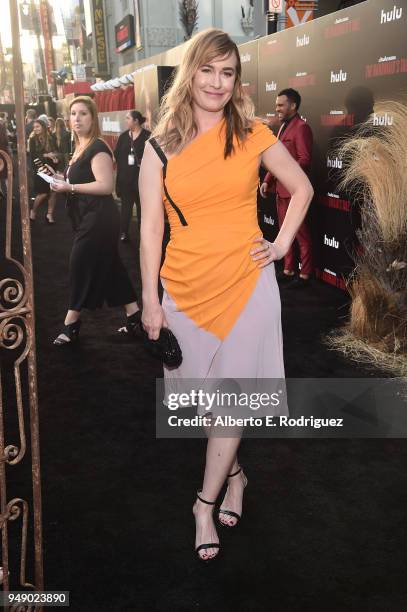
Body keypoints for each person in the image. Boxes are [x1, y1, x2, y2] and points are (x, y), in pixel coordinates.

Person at [139, 29, 313, 561]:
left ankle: (203, 505)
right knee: (206, 400)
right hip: (186, 286)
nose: (217, 82)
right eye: (208, 70)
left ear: (237, 80)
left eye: (228, 72)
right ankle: (235, 476)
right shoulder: (159, 145)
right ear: (190, 73)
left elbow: (301, 188)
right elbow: (149, 228)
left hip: (247, 284)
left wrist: (281, 243)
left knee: (231, 402)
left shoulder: (254, 133)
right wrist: (150, 299)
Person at [49, 96, 141, 345]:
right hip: (87, 216)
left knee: (79, 265)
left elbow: (105, 185)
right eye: (73, 114)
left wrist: (70, 187)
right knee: (111, 266)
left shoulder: (98, 147)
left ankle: (72, 323)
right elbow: (79, 179)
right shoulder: (79, 147)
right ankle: (135, 318)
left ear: (93, 118)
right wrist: (59, 178)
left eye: (83, 114)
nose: (77, 118)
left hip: (100, 218)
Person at [260, 88, 313, 289]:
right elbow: (278, 162)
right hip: (280, 191)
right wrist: (267, 179)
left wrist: (286, 176)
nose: (277, 109)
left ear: (293, 106)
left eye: (281, 105)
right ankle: (289, 269)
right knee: (284, 231)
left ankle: (306, 273)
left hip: (294, 192)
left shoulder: (301, 128)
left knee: (301, 233)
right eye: (276, 105)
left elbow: (304, 159)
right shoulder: (282, 128)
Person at [114, 110, 151, 242]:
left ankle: (144, 234)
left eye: (128, 118)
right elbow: (116, 155)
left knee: (143, 209)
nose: (126, 121)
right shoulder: (123, 137)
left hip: (142, 180)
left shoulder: (148, 136)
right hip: (125, 180)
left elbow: (155, 156)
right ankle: (124, 233)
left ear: (136, 121)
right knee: (126, 209)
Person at [28, 119, 59, 224]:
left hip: (51, 167)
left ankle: (49, 214)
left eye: (37, 126)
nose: (35, 129)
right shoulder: (32, 140)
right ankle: (33, 211)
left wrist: (55, 158)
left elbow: (56, 151)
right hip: (40, 168)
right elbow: (33, 156)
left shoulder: (51, 137)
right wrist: (46, 155)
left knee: (53, 192)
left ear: (43, 127)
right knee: (43, 193)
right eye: (34, 127)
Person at [0, 121, 10, 198]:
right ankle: (9, 193)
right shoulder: (2, 126)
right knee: (6, 174)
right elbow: (6, 141)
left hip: (3, 152)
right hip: (4, 152)